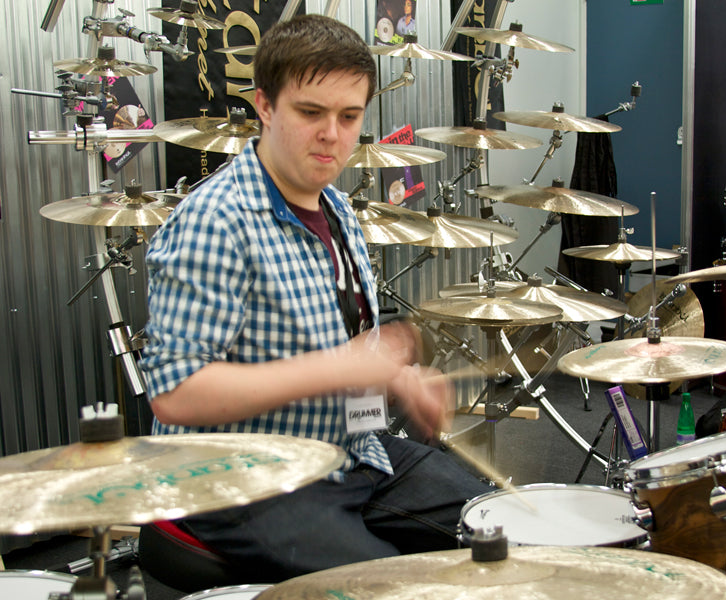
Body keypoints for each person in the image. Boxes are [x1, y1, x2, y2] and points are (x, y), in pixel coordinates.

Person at [140, 14, 490, 583]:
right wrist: (338, 367)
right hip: (243, 479)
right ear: (266, 106)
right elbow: (176, 396)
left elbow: (340, 344)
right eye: (311, 113)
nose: (333, 134)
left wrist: (398, 380)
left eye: (349, 117)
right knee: (394, 591)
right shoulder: (216, 221)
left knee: (502, 531)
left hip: (350, 452)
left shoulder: (336, 209)